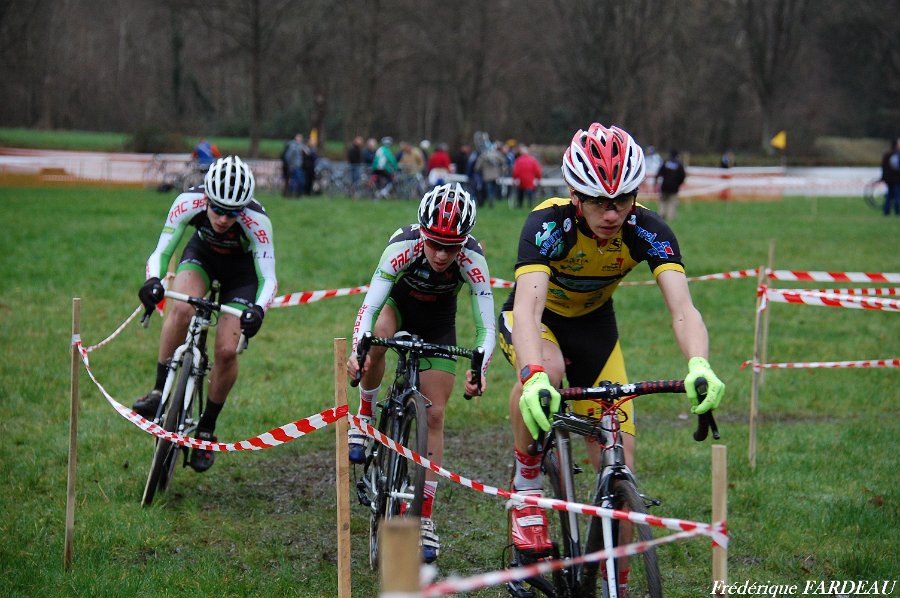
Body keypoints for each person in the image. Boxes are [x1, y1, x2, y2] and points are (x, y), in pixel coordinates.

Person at [497, 123, 724, 592]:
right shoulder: (548, 225)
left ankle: (611, 578)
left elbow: (683, 309)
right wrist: (532, 374)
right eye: (599, 202)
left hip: (595, 329)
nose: (612, 213)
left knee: (621, 462)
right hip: (536, 321)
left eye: (622, 200)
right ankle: (526, 488)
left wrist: (699, 364)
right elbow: (528, 310)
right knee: (547, 373)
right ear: (575, 196)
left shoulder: (647, 229)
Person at [346, 183, 496, 563]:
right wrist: (358, 351)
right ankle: (365, 414)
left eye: (452, 247)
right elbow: (370, 306)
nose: (442, 255)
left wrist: (479, 368)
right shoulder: (403, 245)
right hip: (397, 309)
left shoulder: (473, 258)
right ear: (423, 234)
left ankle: (424, 516)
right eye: (435, 244)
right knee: (376, 342)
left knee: (435, 414)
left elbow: (486, 327)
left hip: (439, 324)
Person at [133, 156, 278, 473]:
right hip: (201, 257)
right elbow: (162, 251)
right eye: (217, 209)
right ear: (206, 198)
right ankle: (159, 390)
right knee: (181, 309)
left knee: (226, 350)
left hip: (240, 276)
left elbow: (268, 278)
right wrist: (153, 281)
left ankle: (206, 428)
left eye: (233, 212)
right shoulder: (188, 201)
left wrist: (258, 310)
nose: (224, 219)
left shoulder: (257, 220)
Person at [655, 149, 687, 221]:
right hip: (674, 187)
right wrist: (678, 183)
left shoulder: (666, 162)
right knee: (672, 202)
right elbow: (683, 176)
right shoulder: (679, 164)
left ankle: (661, 215)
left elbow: (659, 173)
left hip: (665, 186)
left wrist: (656, 182)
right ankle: (671, 217)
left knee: (663, 201)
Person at [474, 141, 507, 208]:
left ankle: (490, 201)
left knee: (489, 190)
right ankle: (492, 201)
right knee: (493, 189)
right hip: (495, 176)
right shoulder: (497, 154)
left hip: (487, 176)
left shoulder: (483, 156)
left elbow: (477, 167)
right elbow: (504, 162)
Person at [880, 137, 900, 216]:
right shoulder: (897, 155)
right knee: (897, 196)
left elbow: (883, 167)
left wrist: (884, 177)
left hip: (889, 180)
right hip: (897, 180)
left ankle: (886, 212)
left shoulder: (887, 155)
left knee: (889, 196)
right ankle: (897, 212)